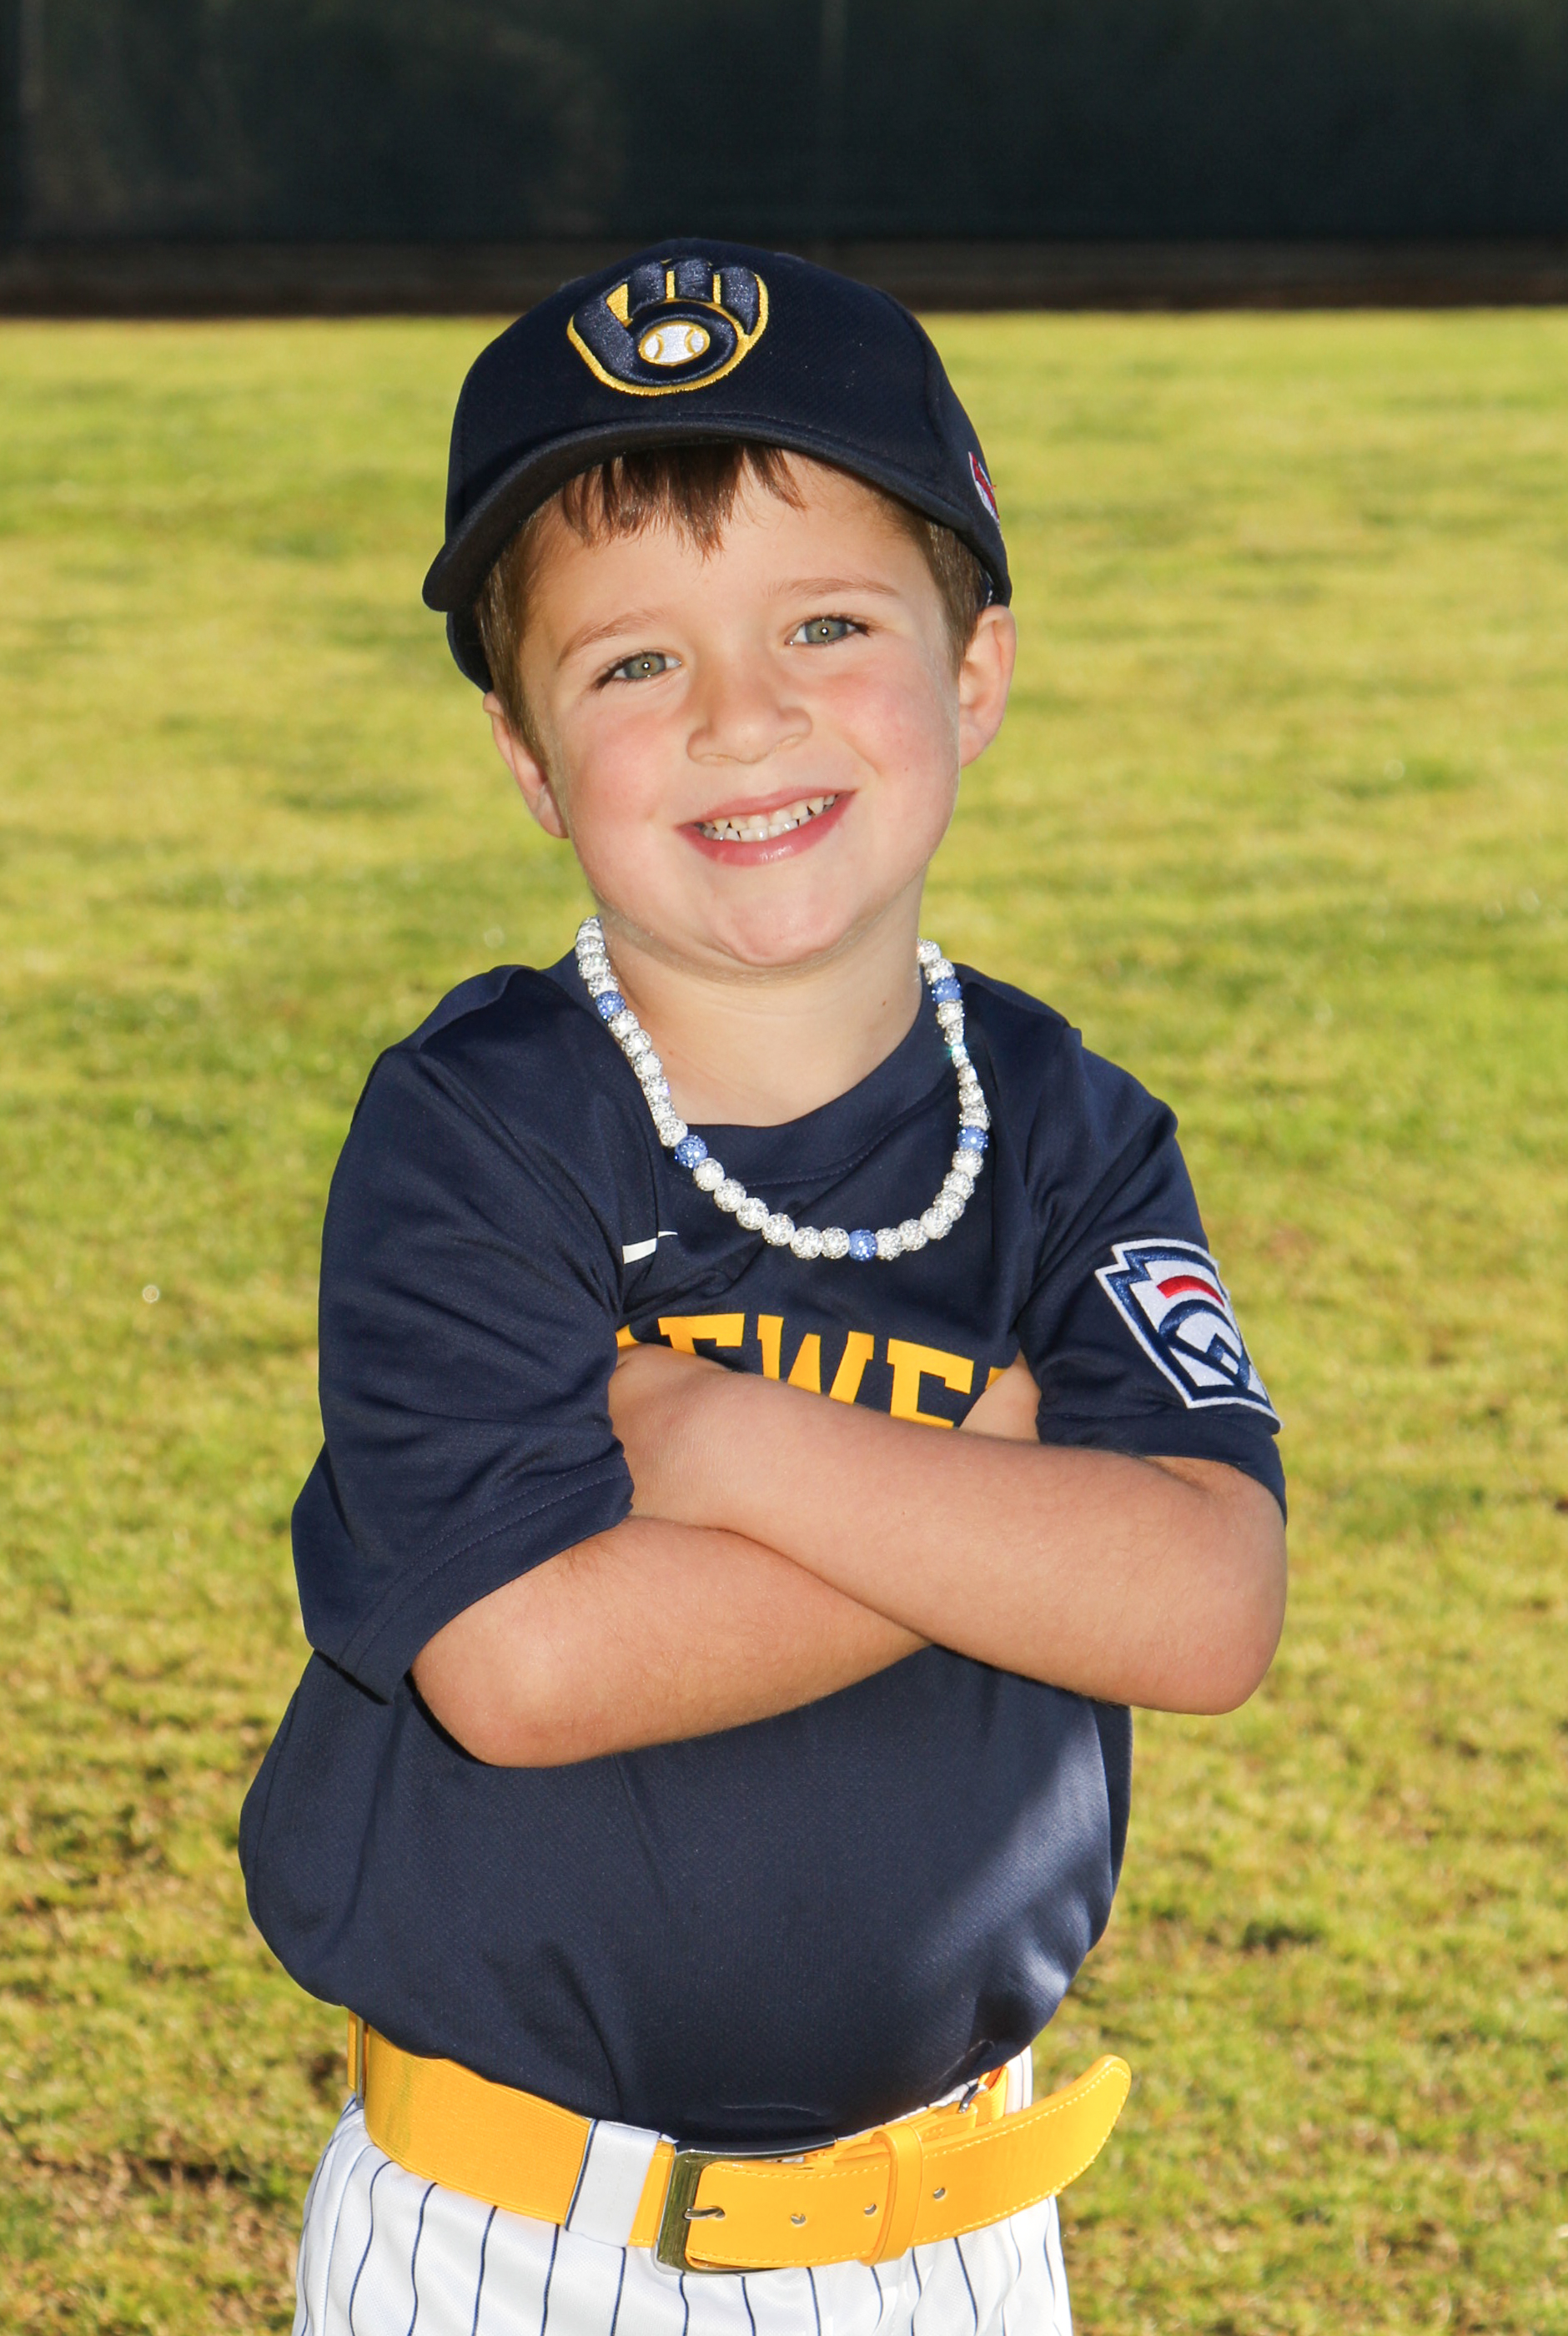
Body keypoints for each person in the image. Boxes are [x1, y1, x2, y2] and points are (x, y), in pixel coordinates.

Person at [241, 240, 1286, 2336]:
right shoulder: (480, 1128)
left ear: (972, 670)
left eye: (827, 623)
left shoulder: (1066, 1132)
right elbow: (525, 1660)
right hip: (517, 2231)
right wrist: (998, 1503)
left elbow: (1199, 1603)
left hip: (955, 2229)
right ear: (529, 758)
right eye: (632, 662)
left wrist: (729, 1439)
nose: (741, 715)